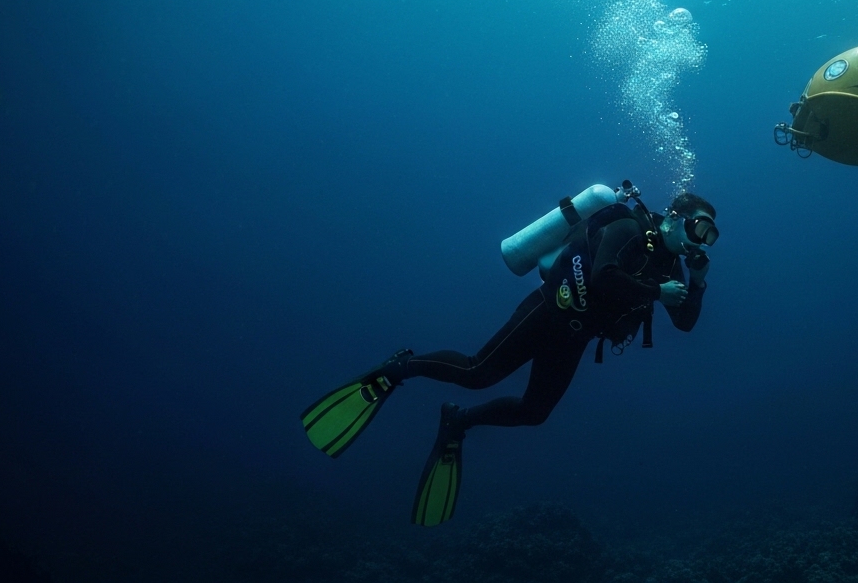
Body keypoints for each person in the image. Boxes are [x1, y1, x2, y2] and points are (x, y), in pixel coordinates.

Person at [300, 191, 718, 525]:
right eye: (700, 228)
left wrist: (695, 284)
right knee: (478, 372)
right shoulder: (628, 226)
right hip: (547, 311)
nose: (701, 241)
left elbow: (684, 324)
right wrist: (655, 293)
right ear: (675, 217)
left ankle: (458, 422)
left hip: (574, 336)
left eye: (710, 236)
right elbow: (603, 275)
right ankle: (397, 368)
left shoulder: (670, 269)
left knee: (535, 412)